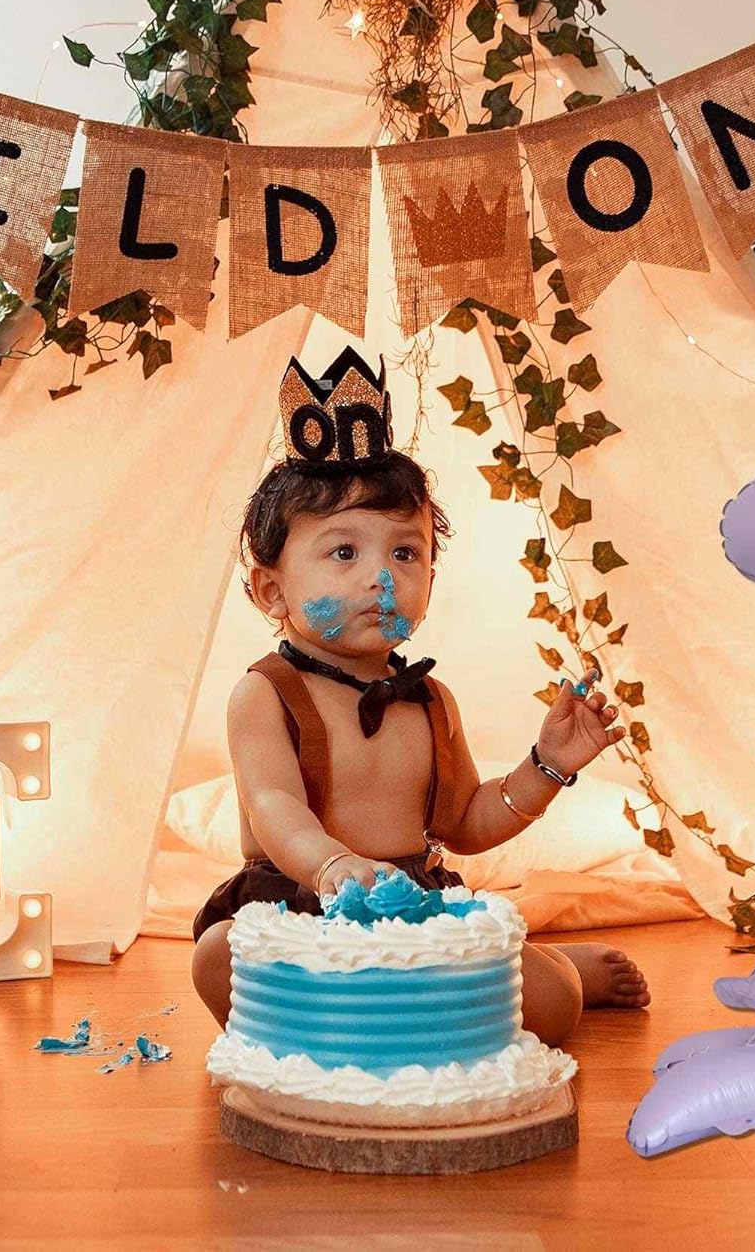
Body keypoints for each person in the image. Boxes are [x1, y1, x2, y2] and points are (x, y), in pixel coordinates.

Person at [191, 345, 649, 1045]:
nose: (381, 578)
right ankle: (391, 1020)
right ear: (271, 590)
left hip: (414, 907)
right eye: (344, 552)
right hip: (304, 905)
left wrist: (548, 765)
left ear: (431, 577)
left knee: (553, 1005)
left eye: (405, 553)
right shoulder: (265, 694)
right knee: (217, 956)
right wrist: (332, 866)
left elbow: (466, 822)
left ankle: (560, 970)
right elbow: (273, 805)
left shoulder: (430, 700)